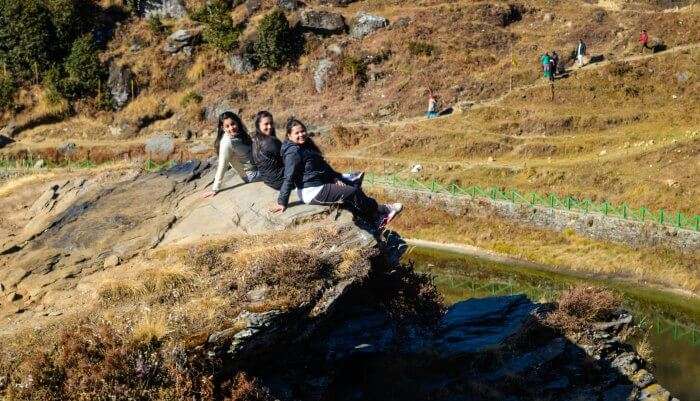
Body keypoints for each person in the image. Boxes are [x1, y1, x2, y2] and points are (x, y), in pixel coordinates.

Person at [271, 118, 403, 227]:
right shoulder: (293, 153)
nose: (301, 134)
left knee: (352, 182)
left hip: (318, 184)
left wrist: (334, 178)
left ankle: (374, 217)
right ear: (289, 135)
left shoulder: (303, 146)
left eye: (303, 131)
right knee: (352, 192)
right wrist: (282, 201)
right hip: (312, 191)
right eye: (297, 133)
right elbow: (288, 177)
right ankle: (383, 211)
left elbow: (320, 168)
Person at [204, 111, 260, 197]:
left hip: (259, 165)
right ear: (223, 128)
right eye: (227, 126)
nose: (231, 128)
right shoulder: (226, 143)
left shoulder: (240, 132)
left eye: (233, 124)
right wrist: (215, 188)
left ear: (237, 122)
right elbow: (222, 165)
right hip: (251, 175)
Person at [251, 111, 285, 190]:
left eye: (271, 123)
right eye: (266, 124)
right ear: (258, 125)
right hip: (281, 181)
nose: (270, 127)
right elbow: (286, 158)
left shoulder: (255, 139)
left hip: (268, 180)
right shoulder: (270, 141)